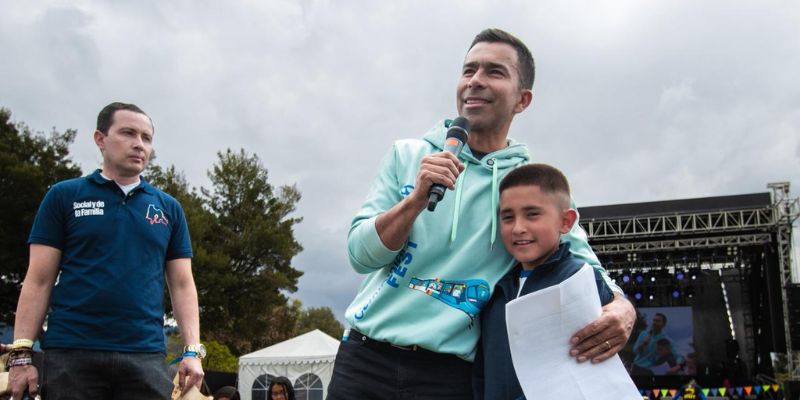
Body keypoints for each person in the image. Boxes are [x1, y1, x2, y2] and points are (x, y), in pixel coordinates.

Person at [327, 28, 636, 399]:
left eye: (494, 72)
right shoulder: (407, 155)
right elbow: (360, 257)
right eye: (468, 70)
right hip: (365, 359)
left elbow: (586, 265)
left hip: (450, 376)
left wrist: (622, 307)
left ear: (523, 100)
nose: (475, 81)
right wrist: (414, 202)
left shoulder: (527, 186)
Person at [7, 102, 205, 399]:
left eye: (146, 138)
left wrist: (192, 351)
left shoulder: (169, 209)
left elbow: (182, 284)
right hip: (72, 353)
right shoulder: (64, 196)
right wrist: (21, 354)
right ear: (100, 139)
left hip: (145, 355)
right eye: (128, 133)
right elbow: (38, 279)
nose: (139, 144)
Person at [473, 163, 615, 399]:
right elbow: (482, 374)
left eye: (532, 215)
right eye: (507, 217)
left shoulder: (579, 280)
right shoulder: (495, 290)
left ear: (566, 221)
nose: (518, 228)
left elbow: (591, 372)